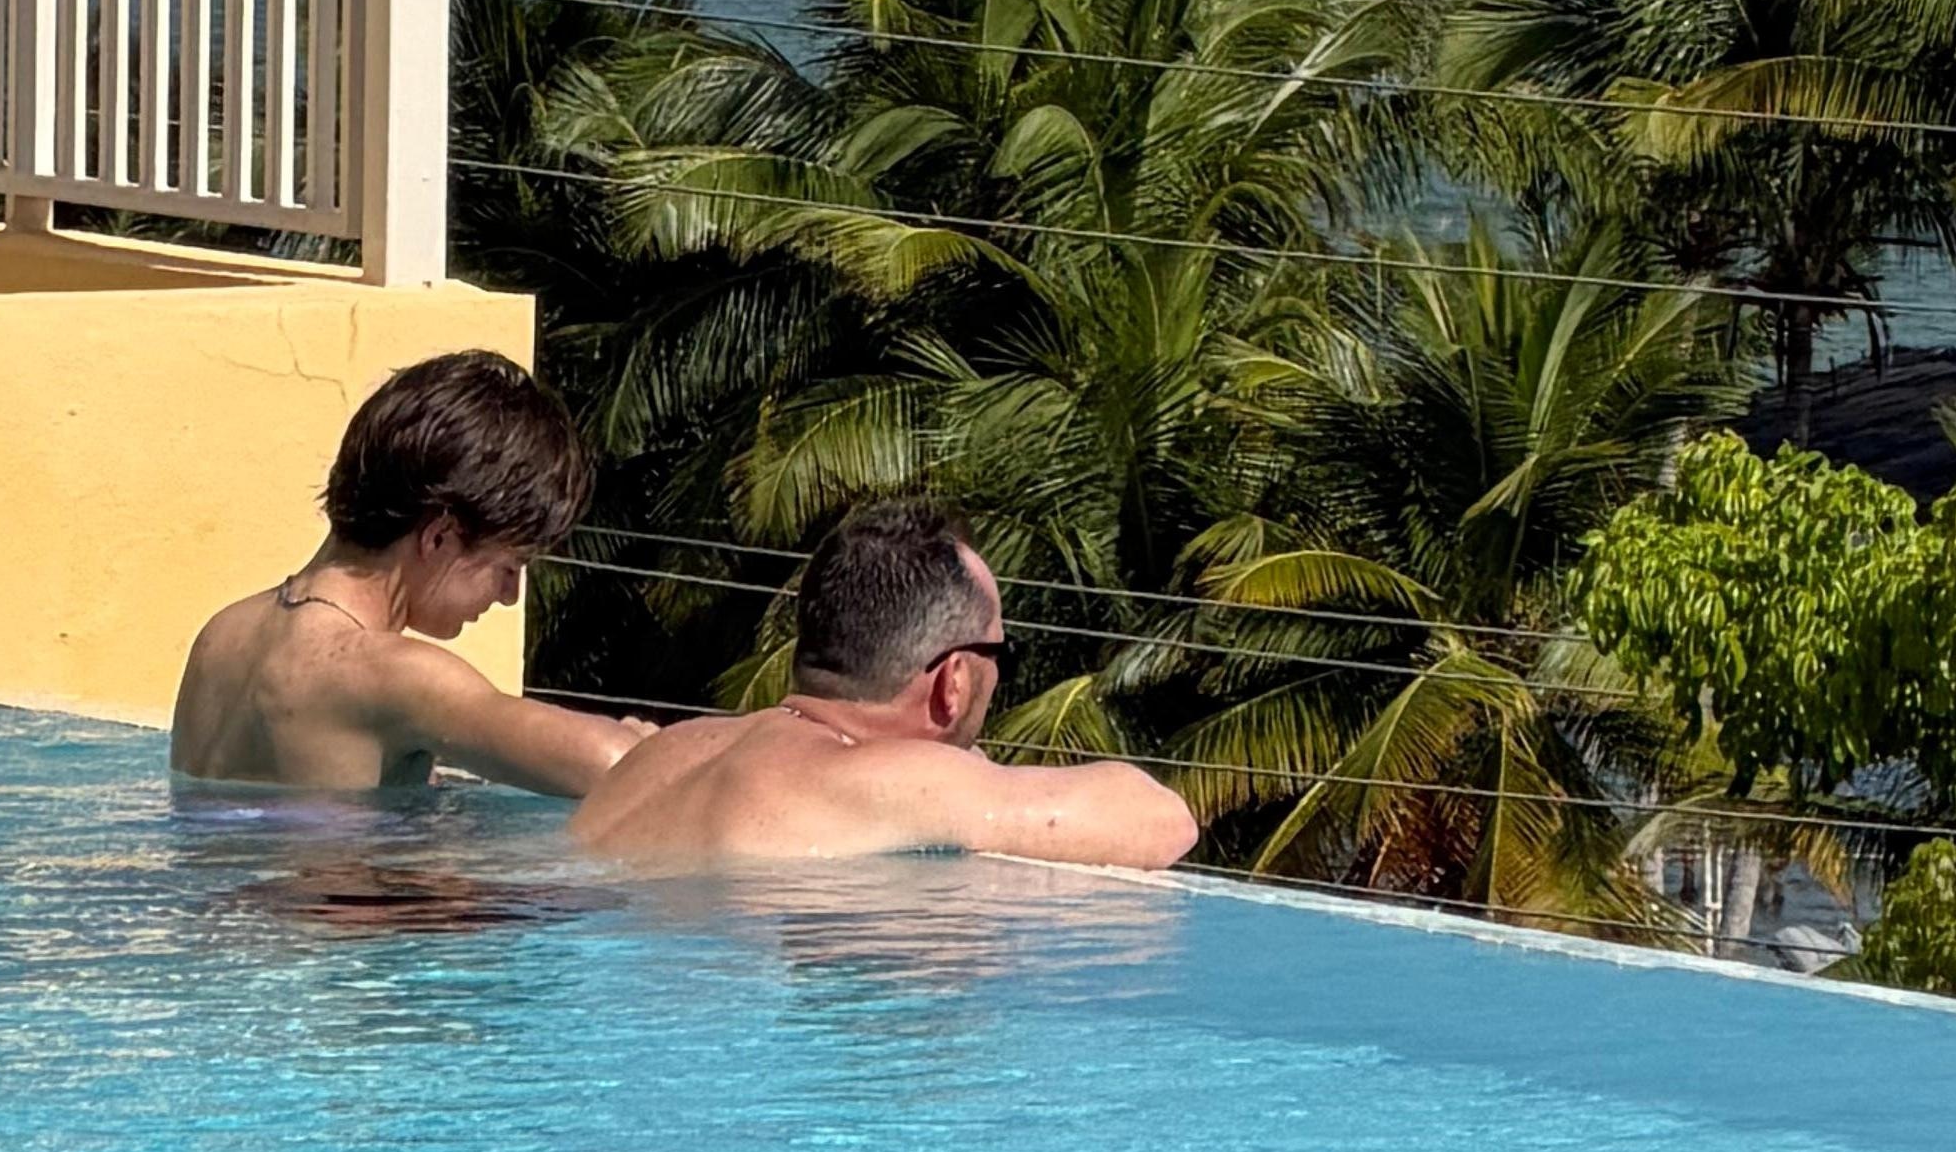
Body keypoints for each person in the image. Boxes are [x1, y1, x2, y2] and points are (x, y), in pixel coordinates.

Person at [568, 494, 1196, 873]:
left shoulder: (668, 752)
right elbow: (1160, 820)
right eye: (1001, 651)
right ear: (952, 680)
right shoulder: (887, 780)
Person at [170, 349, 641, 800]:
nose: (511, 595)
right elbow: (615, 764)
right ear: (440, 536)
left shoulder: (223, 632)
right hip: (334, 885)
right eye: (510, 566)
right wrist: (645, 739)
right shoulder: (391, 675)